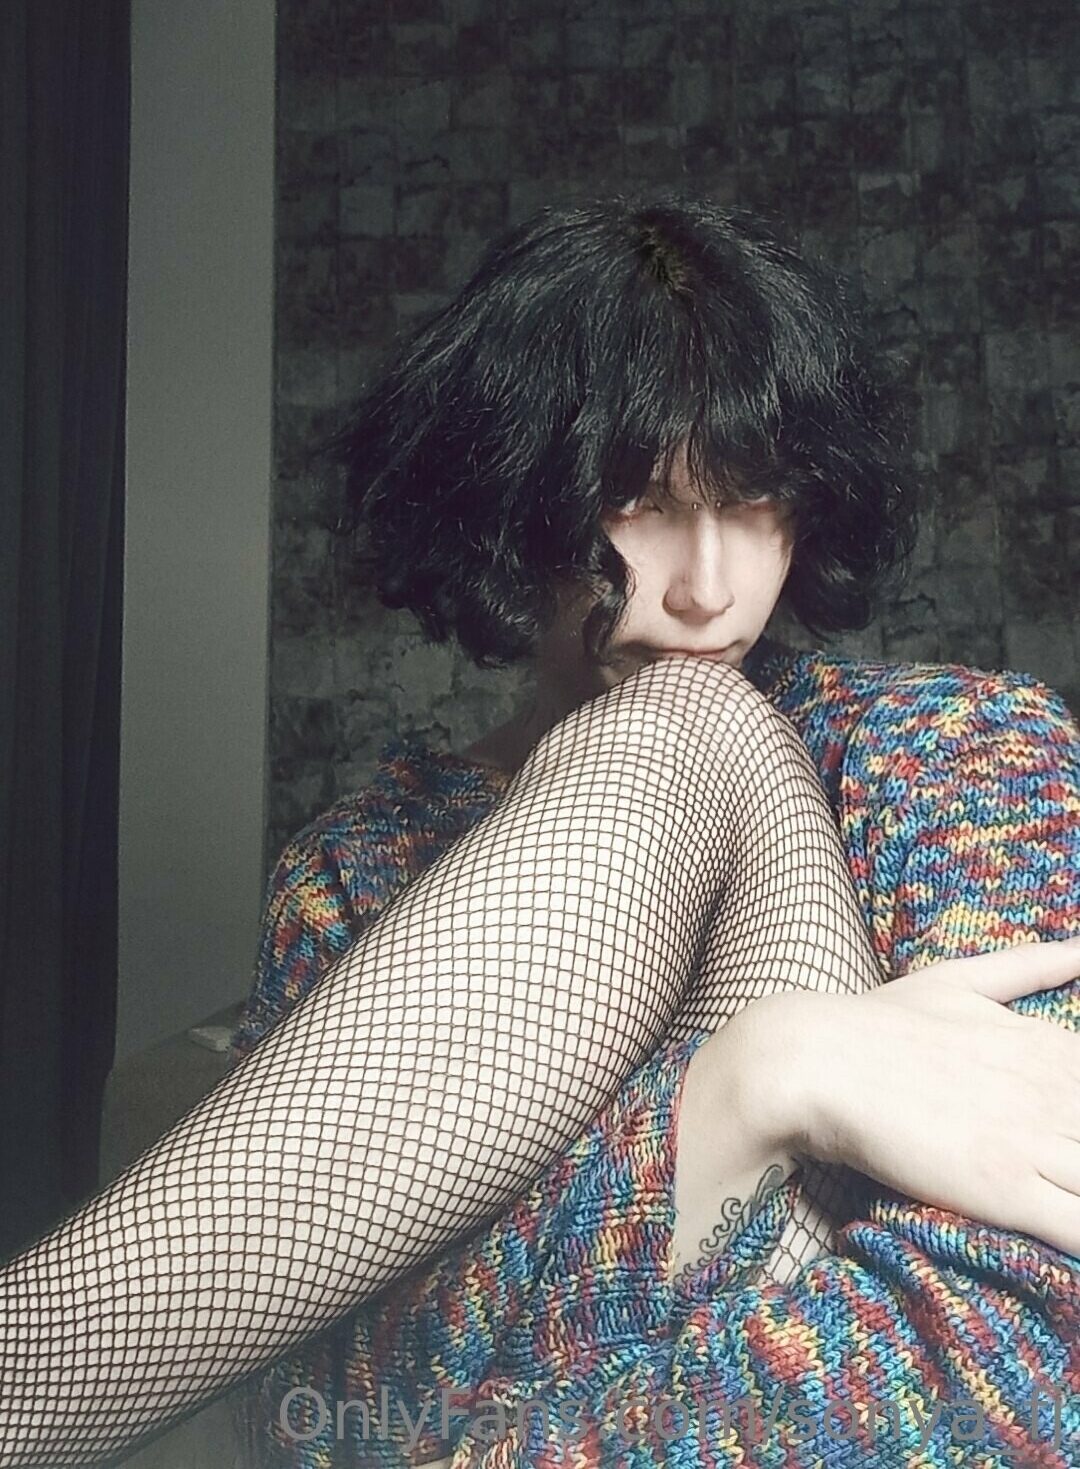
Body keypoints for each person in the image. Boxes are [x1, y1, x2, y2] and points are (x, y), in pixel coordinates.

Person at [2, 191, 1080, 1469]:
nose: (710, 587)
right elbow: (322, 1424)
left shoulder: (954, 754)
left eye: (755, 501)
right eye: (637, 501)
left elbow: (1027, 1353)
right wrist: (756, 1088)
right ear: (513, 505)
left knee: (703, 719)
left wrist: (745, 1085)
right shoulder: (356, 868)